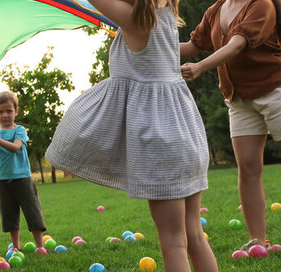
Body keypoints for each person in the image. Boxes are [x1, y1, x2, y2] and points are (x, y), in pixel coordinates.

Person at [45, 0, 218, 270]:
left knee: (173, 241)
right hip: (186, 137)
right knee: (193, 234)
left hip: (161, 143)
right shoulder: (167, 15)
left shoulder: (135, 19)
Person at [180, 0, 281, 254]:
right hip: (240, 100)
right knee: (248, 170)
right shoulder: (215, 10)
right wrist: (151, 46)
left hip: (278, 92)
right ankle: (257, 239)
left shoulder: (261, 4)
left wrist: (200, 67)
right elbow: (192, 46)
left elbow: (236, 45)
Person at [0, 91, 47, 254]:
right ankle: (16, 247)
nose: (5, 115)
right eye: (1, 112)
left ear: (16, 111)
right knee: (10, 217)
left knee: (32, 213)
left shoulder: (19, 130)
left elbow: (15, 147)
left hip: (22, 180)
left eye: (9, 111)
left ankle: (40, 247)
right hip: (3, 182)